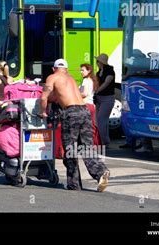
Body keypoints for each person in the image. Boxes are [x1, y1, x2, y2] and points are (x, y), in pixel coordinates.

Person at [39, 59, 110, 192]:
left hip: (71, 112)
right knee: (86, 147)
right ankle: (101, 172)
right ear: (66, 69)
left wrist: (42, 112)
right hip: (85, 111)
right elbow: (59, 96)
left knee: (70, 149)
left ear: (54, 69)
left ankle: (74, 184)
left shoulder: (52, 77)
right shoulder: (70, 79)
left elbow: (44, 97)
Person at [94, 54, 115, 146]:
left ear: (101, 62)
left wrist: (97, 90)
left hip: (108, 98)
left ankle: (103, 140)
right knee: (100, 119)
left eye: (98, 61)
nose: (97, 63)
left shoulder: (110, 71)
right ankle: (103, 139)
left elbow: (107, 83)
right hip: (99, 98)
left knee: (101, 119)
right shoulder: (99, 72)